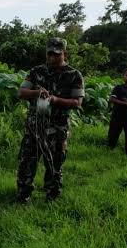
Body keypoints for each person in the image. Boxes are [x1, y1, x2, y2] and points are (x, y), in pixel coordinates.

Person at [16, 38, 84, 203]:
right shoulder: (36, 71)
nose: (52, 58)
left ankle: (52, 197)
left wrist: (55, 99)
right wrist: (36, 93)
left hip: (58, 127)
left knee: (54, 164)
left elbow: (77, 103)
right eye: (49, 54)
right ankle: (23, 195)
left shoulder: (74, 75)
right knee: (27, 162)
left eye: (56, 54)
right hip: (34, 126)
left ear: (64, 54)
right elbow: (21, 92)